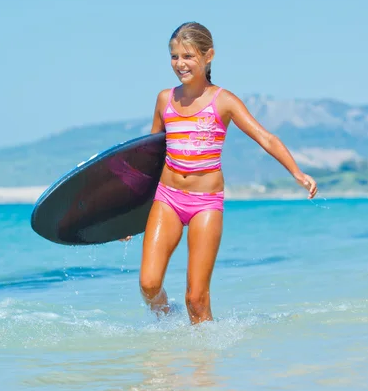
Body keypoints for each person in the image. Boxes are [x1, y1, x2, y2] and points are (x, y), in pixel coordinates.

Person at [135, 22, 317, 325]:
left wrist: (296, 172)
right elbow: (148, 157)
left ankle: (204, 364)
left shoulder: (224, 101)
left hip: (205, 203)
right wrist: (126, 213)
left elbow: (266, 137)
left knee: (196, 297)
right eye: (174, 56)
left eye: (188, 56)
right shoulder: (165, 99)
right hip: (167, 197)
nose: (180, 64)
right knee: (149, 284)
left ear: (209, 56)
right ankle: (168, 330)